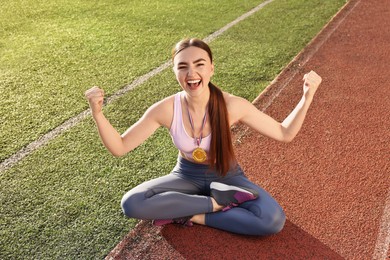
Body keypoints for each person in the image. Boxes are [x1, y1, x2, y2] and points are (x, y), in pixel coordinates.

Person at [85, 38, 322, 236]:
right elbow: (120, 147)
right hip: (187, 176)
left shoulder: (232, 105)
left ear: (211, 68)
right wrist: (97, 114)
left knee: (272, 221)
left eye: (199, 64)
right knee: (132, 203)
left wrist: (306, 97)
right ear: (175, 71)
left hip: (227, 176)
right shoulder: (166, 109)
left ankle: (193, 214)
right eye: (182, 66)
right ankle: (218, 203)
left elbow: (284, 133)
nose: (191, 73)